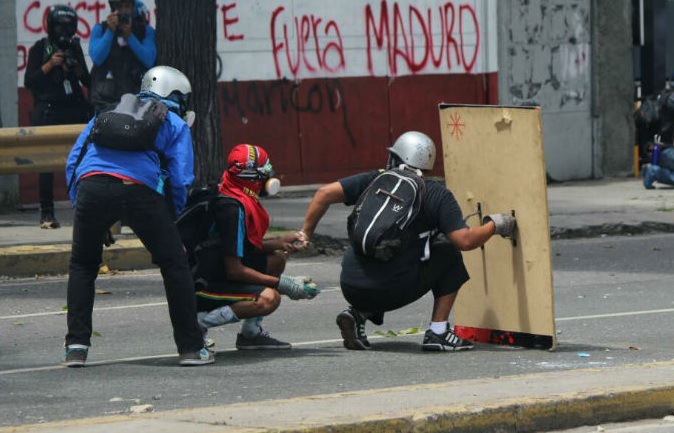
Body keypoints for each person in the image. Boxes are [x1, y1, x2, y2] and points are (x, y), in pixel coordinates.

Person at [298, 131, 516, 352]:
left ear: (397, 158)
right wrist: (494, 224)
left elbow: (324, 193)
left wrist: (306, 233)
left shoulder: (375, 179)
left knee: (383, 251)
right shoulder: (436, 194)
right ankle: (438, 333)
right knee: (447, 250)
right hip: (391, 288)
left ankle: (357, 315)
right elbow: (465, 241)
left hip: (351, 284)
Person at [63, 65, 211, 367]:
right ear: (176, 95)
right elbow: (181, 178)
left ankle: (76, 347)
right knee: (174, 264)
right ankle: (192, 348)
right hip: (139, 191)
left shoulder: (111, 110)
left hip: (91, 187)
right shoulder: (173, 121)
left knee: (82, 265)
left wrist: (83, 204)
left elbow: (74, 160)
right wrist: (171, 216)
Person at [185, 144, 319, 350]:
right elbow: (235, 269)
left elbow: (243, 248)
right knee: (268, 299)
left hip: (212, 271)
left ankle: (250, 334)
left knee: (277, 257)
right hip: (203, 287)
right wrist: (285, 285)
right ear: (252, 179)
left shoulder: (231, 193)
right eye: (264, 173)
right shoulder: (231, 209)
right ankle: (195, 327)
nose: (269, 179)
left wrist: (282, 241)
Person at [24, 4, 91, 229]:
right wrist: (50, 65)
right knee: (46, 163)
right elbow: (29, 81)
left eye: (68, 27)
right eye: (60, 26)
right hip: (49, 111)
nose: (64, 31)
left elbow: (87, 82)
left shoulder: (75, 48)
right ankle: (47, 213)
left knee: (83, 162)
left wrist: (74, 67)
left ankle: (85, 208)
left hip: (73, 110)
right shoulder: (40, 48)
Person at [88, 0, 157, 113]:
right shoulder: (100, 29)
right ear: (112, 8)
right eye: (119, 7)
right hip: (106, 103)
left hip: (136, 103)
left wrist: (129, 36)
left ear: (133, 7)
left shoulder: (145, 30)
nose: (124, 11)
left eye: (127, 6)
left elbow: (149, 59)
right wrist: (110, 32)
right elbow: (97, 58)